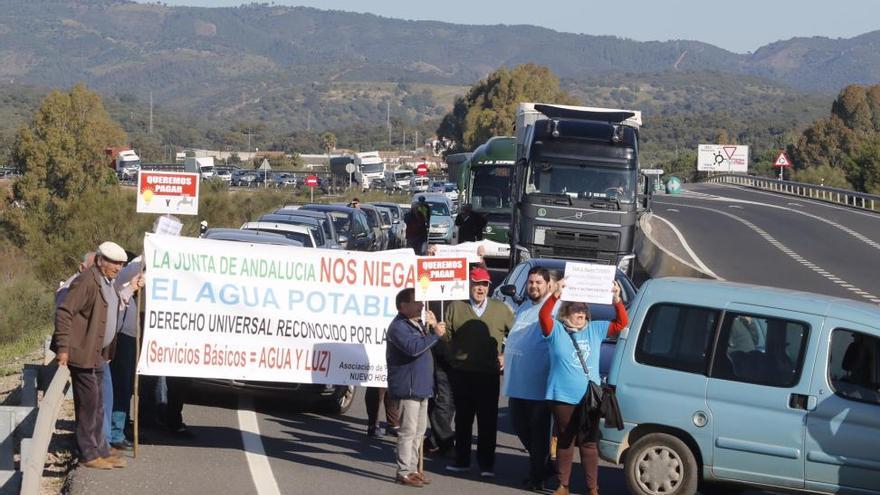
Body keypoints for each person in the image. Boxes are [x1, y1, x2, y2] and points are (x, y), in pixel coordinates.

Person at [539, 280, 628, 495]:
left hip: (590, 398)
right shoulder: (556, 331)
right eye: (575, 309)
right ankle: (563, 485)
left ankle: (592, 488)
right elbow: (543, 317)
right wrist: (555, 296)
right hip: (562, 396)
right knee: (566, 439)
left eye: (583, 309)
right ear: (565, 313)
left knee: (588, 443)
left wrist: (616, 299)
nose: (580, 312)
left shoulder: (595, 329)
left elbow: (621, 323)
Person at [52, 241, 129, 470]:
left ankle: (101, 450)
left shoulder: (108, 282)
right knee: (89, 404)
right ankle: (88, 453)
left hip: (98, 354)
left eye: (121, 264)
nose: (117, 267)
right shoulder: (87, 281)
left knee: (98, 404)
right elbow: (65, 312)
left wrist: (107, 350)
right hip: (82, 352)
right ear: (99, 260)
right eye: (113, 262)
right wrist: (63, 348)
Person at [443, 267, 512, 478]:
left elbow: (516, 336)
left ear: (489, 287)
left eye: (484, 284)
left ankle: (486, 464)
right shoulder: (456, 307)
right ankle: (462, 461)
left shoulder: (501, 309)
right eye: (476, 284)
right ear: (469, 285)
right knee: (463, 420)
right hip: (462, 373)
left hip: (488, 375)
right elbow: (447, 337)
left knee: (487, 421)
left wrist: (506, 355)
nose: (480, 288)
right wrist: (437, 331)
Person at [501, 267, 557, 491]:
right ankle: (543, 468)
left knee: (539, 434)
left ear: (548, 286)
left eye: (538, 283)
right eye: (531, 282)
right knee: (521, 428)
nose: (534, 286)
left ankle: (538, 476)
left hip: (539, 386)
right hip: (517, 384)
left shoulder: (554, 309)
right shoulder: (524, 306)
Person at [386, 288, 446, 488]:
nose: (421, 305)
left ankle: (412, 469)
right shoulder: (398, 327)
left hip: (421, 387)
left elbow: (424, 345)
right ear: (403, 306)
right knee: (408, 431)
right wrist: (435, 335)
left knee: (419, 432)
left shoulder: (417, 324)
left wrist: (431, 328)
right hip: (408, 388)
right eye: (416, 302)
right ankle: (403, 471)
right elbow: (413, 349)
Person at [109, 257, 145, 450]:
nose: (119, 267)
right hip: (122, 338)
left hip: (130, 337)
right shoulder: (119, 278)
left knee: (126, 385)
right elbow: (132, 269)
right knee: (121, 385)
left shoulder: (121, 279)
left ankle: (119, 427)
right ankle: (115, 433)